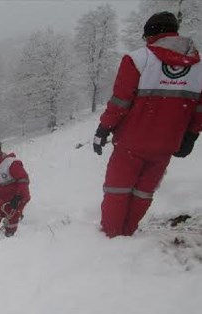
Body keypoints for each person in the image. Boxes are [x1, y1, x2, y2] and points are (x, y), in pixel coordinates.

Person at [93, 11, 202, 238]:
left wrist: (104, 129)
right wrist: (191, 136)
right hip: (166, 145)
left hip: (131, 143)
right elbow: (199, 109)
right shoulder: (198, 67)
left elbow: (120, 102)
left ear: (151, 34)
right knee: (143, 193)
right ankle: (128, 233)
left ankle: (111, 238)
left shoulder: (137, 60)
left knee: (117, 190)